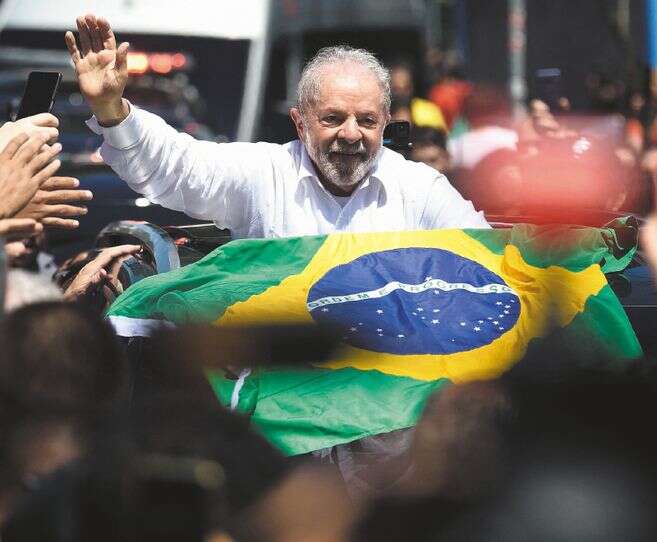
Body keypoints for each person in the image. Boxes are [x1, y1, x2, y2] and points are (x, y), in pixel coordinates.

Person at [65, 14, 488, 241]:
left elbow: (487, 258)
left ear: (386, 124)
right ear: (300, 124)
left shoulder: (419, 189)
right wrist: (110, 107)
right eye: (333, 118)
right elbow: (174, 166)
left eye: (367, 121)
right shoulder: (263, 174)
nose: (351, 134)